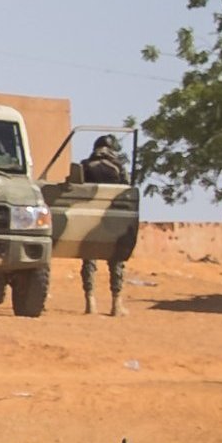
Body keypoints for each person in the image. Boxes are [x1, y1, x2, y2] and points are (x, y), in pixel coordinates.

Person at [73, 134, 131, 315]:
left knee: (89, 260)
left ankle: (90, 302)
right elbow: (127, 188)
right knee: (116, 261)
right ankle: (116, 304)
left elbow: (76, 187)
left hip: (89, 218)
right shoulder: (118, 167)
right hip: (112, 219)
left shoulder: (84, 165)